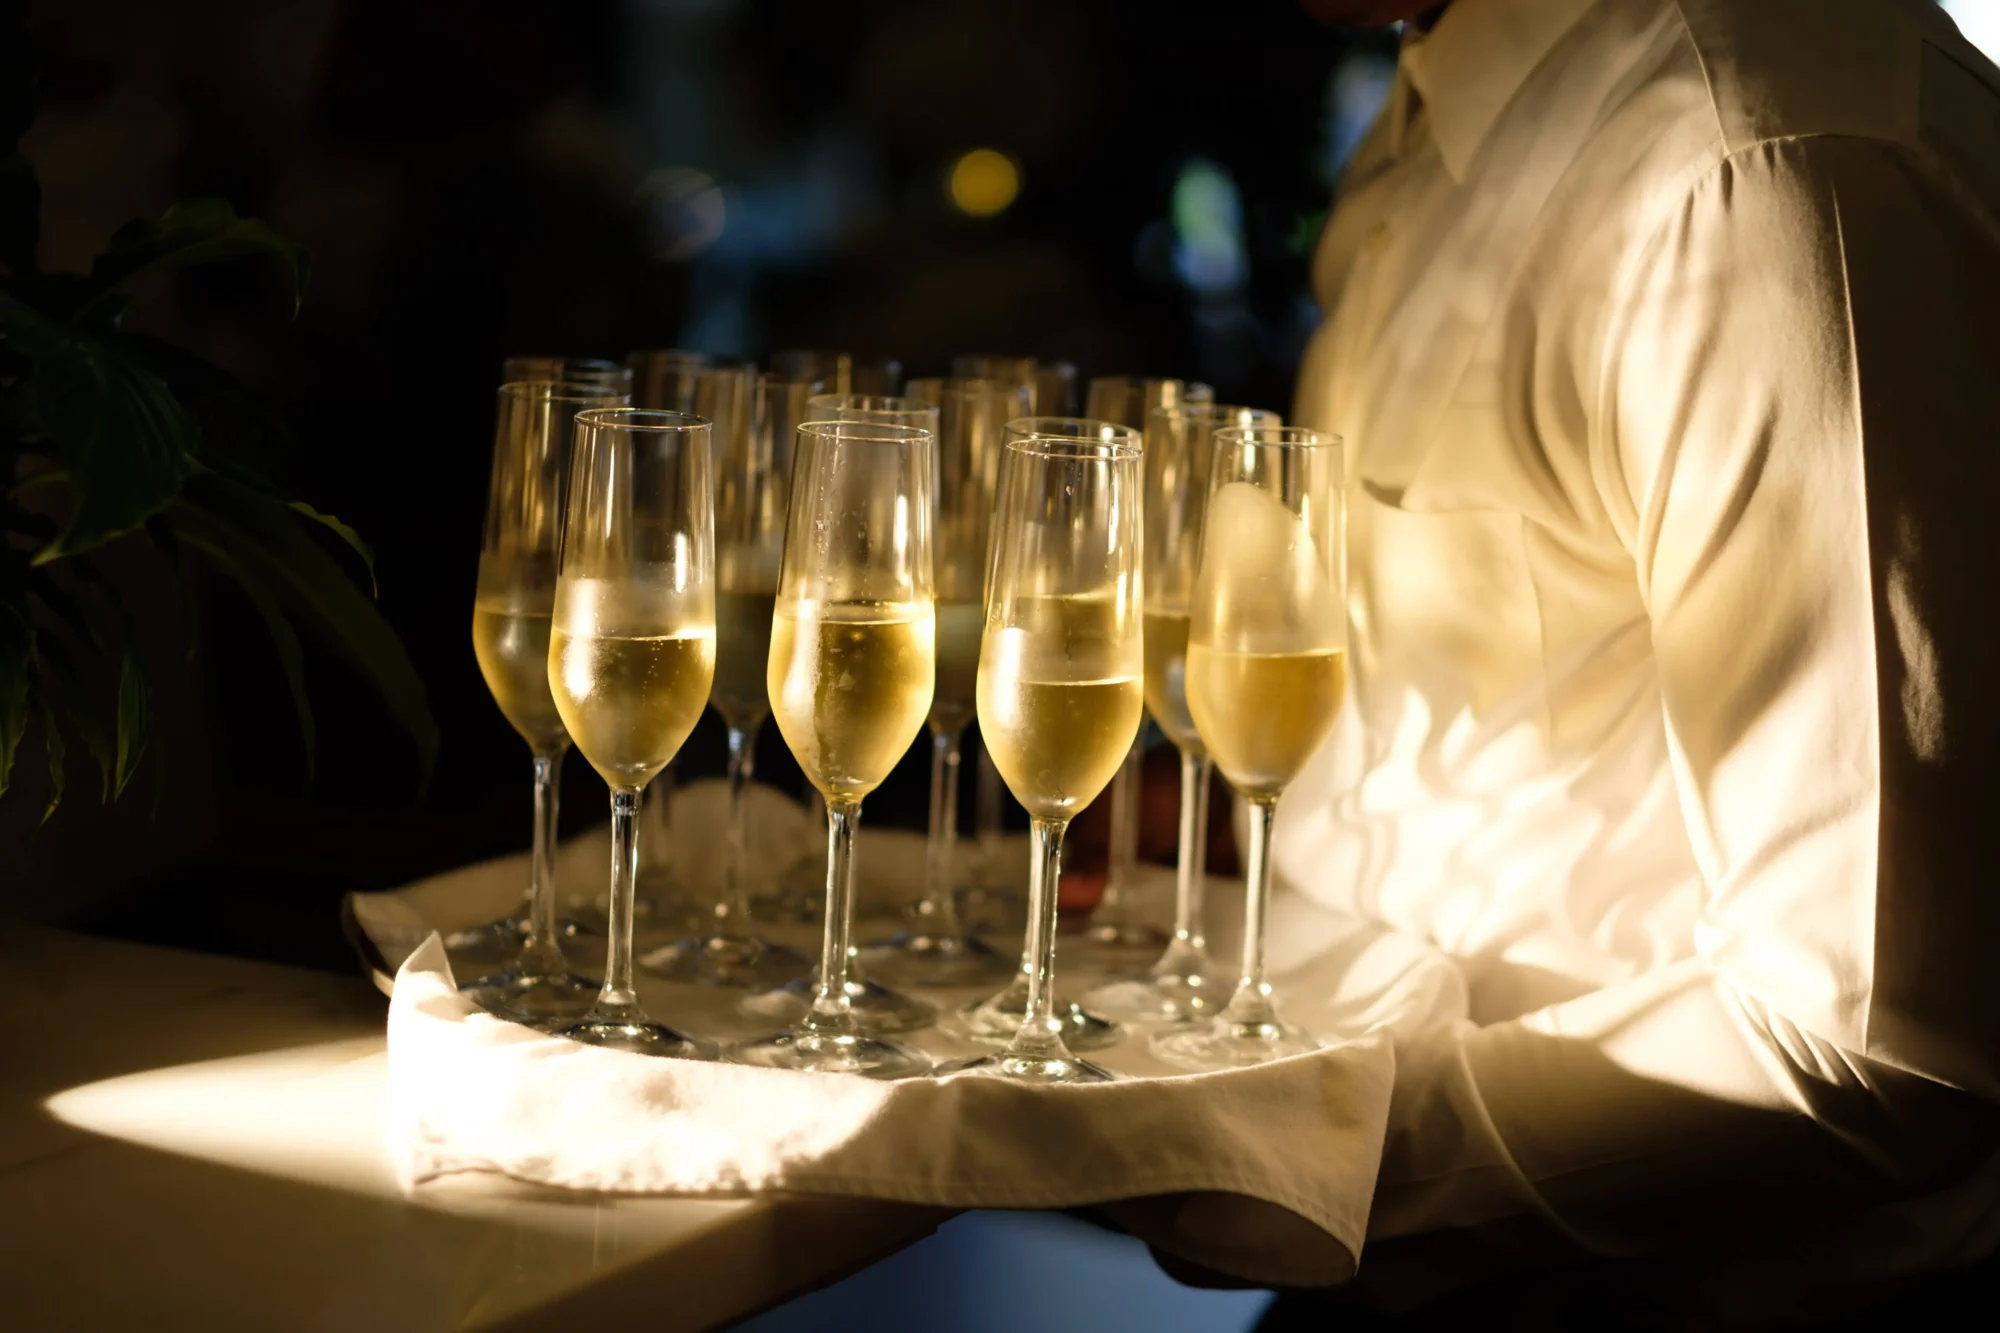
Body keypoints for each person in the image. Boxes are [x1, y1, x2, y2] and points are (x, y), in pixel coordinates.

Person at [1176, 0, 2000, 1323]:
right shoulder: (1447, 101)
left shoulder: (1754, 165)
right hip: (1414, 1239)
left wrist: (1272, 1150)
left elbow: (1873, 1041)